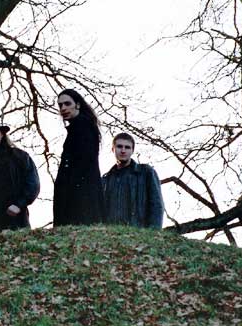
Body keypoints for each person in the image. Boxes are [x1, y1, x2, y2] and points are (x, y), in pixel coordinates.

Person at [53, 88, 105, 226]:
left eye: (67, 103)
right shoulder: (78, 126)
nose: (63, 108)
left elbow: (84, 161)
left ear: (78, 104)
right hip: (76, 189)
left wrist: (69, 185)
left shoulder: (83, 126)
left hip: (80, 192)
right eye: (60, 105)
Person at [102, 132, 165, 228]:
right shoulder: (106, 179)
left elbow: (156, 205)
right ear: (113, 149)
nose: (123, 151)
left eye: (127, 147)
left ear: (132, 150)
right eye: (119, 146)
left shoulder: (145, 172)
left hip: (138, 232)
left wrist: (153, 232)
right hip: (111, 233)